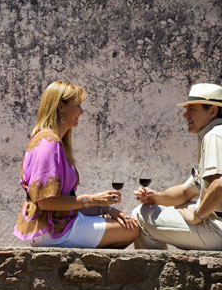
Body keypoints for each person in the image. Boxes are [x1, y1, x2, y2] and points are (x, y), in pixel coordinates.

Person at [132, 83, 222, 252]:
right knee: (184, 204)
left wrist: (197, 216)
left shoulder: (215, 136)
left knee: (140, 215)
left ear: (212, 111)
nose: (185, 115)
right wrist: (155, 197)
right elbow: (185, 192)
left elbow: (221, 184)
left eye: (192, 109)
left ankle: (156, 275)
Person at [14, 81, 139, 249]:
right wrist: (92, 199)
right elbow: (46, 202)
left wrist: (105, 209)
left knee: (127, 222)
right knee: (132, 230)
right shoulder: (48, 143)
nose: (82, 111)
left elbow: (66, 202)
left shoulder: (53, 141)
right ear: (61, 106)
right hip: (53, 230)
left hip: (61, 223)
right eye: (78, 105)